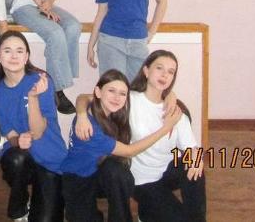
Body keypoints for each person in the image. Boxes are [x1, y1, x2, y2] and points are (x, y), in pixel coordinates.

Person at [76, 51, 206, 222]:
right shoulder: (130, 100)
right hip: (142, 180)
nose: (164, 75)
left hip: (166, 173)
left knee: (195, 165)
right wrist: (82, 115)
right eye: (159, 68)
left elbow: (192, 147)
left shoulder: (175, 112)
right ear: (146, 70)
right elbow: (85, 98)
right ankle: (149, 212)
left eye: (170, 72)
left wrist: (196, 156)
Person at [61, 69, 181, 222]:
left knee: (118, 173)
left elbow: (192, 147)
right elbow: (130, 151)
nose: (117, 97)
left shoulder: (178, 116)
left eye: (122, 93)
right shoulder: (92, 127)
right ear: (98, 92)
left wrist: (170, 95)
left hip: (119, 172)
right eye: (111, 91)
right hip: (83, 180)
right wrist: (166, 128)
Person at [0, 30, 67, 222]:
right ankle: (19, 207)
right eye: (7, 51)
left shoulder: (41, 81)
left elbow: (39, 132)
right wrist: (18, 140)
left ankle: (47, 197)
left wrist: (32, 97)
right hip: (24, 162)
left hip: (50, 160)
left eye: (19, 51)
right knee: (15, 159)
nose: (14, 56)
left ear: (26, 57)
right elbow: (10, 134)